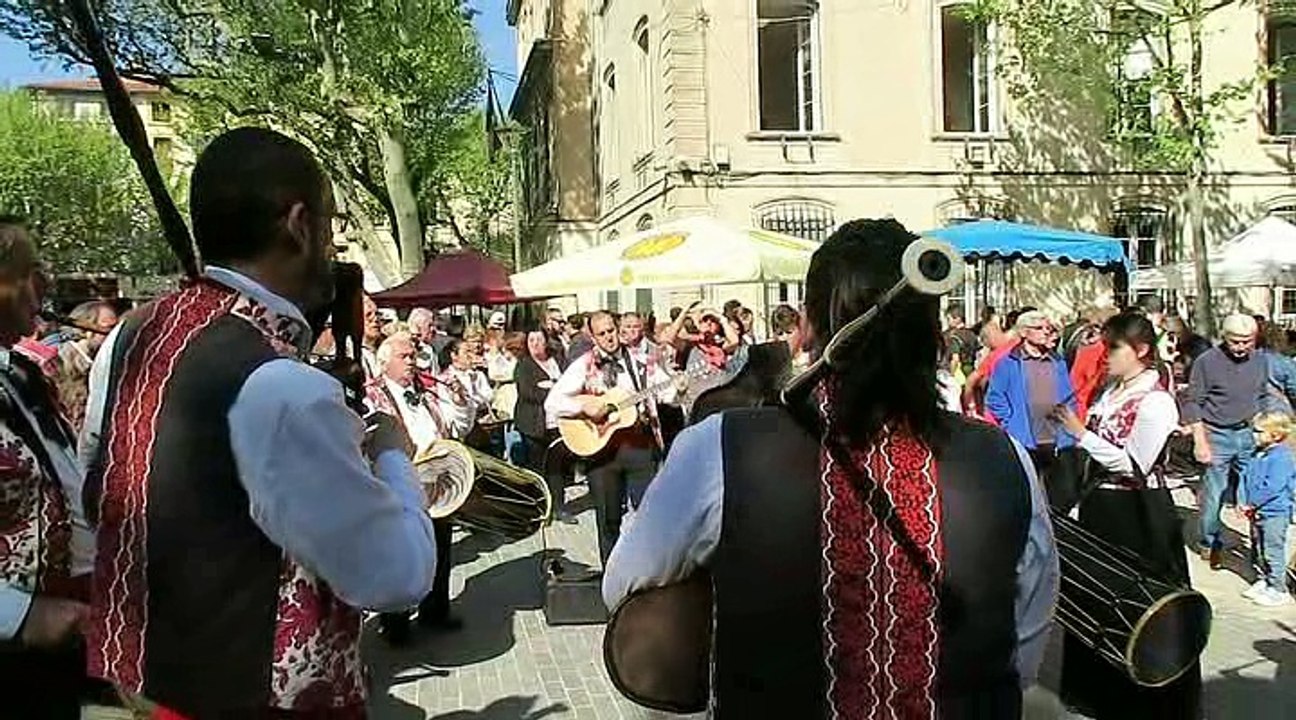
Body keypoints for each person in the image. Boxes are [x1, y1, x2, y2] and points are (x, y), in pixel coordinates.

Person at [604, 219, 1057, 717]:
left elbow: (622, 586)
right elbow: (1023, 649)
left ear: (809, 326)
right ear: (933, 331)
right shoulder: (1005, 458)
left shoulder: (718, 448)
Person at [79, 128, 438, 716]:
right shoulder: (282, 388)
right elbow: (396, 576)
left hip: (139, 689)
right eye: (329, 224)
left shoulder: (130, 334)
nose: (332, 246)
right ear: (299, 225)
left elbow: (95, 490)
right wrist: (392, 453)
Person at [1049, 312, 1200, 719]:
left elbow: (1135, 464)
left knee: (1141, 604)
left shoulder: (1156, 400)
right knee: (1096, 599)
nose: (1105, 354)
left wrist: (1082, 434)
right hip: (1102, 507)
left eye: (1113, 347)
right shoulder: (1110, 391)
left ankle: (1149, 702)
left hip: (1138, 515)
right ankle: (1098, 694)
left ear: (1141, 350)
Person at [0, 219, 115, 718]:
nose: (44, 284)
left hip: (63, 650)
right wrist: (18, 614)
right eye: (27, 271)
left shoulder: (23, 373)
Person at [545, 311, 680, 563]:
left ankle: (648, 572)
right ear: (593, 336)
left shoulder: (642, 361)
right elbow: (552, 403)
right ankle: (612, 578)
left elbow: (667, 393)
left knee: (649, 515)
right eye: (602, 333)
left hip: (640, 447)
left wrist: (678, 388)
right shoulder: (584, 365)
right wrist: (584, 408)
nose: (609, 337)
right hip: (602, 452)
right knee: (608, 520)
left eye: (611, 331)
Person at [365, 333, 459, 642]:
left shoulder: (427, 393)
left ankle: (436, 612)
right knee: (400, 555)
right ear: (384, 363)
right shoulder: (371, 397)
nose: (411, 362)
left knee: (440, 549)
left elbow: (455, 427)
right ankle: (396, 623)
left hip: (436, 484)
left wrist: (459, 402)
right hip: (398, 486)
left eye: (413, 356)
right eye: (404, 357)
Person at [1182, 313, 1268, 570]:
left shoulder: (1260, 360)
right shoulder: (1207, 362)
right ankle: (1210, 541)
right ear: (1224, 337)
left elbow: (1263, 395)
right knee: (1215, 493)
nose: (1241, 347)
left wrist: (1264, 427)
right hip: (1216, 433)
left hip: (1248, 432)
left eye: (1247, 342)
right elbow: (1193, 401)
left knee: (1255, 492)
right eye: (1235, 342)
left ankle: (1260, 550)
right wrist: (1200, 441)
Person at [986, 310, 1078, 486]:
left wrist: (1069, 427)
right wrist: (1010, 423)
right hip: (1025, 440)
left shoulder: (1057, 361)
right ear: (1023, 332)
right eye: (1039, 328)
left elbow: (1069, 397)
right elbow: (995, 398)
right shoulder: (1008, 363)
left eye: (1048, 328)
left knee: (1057, 498)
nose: (1045, 332)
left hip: (1056, 440)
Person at [515, 329, 574, 523]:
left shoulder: (558, 360)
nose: (535, 343)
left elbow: (571, 383)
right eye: (531, 340)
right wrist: (555, 391)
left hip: (558, 423)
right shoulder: (523, 365)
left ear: (547, 342)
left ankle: (559, 507)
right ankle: (541, 509)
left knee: (557, 467)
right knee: (537, 467)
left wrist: (551, 386)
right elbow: (528, 393)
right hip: (534, 424)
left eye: (539, 339)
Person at [1240, 411, 1295, 607]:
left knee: (1273, 550)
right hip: (1257, 511)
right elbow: (1244, 477)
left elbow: (1274, 486)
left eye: (1258, 431)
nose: (1253, 434)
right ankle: (1264, 579)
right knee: (1259, 548)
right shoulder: (1256, 455)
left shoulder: (1282, 458)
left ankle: (1278, 589)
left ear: (1276, 435)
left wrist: (1252, 502)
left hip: (1275, 512)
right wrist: (1242, 499)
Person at [53, 300, 119, 432]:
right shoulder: (58, 362)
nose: (115, 335)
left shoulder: (102, 361)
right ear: (84, 329)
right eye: (109, 328)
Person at [434, 337, 495, 444]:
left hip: (480, 429)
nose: (471, 356)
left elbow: (489, 396)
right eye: (467, 352)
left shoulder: (477, 375)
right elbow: (448, 409)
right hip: (457, 433)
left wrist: (474, 396)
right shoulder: (445, 380)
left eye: (472, 352)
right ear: (454, 356)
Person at [944, 306, 979, 383]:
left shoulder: (954, 336)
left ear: (957, 319)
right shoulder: (972, 334)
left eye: (949, 319)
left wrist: (951, 376)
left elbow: (955, 359)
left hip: (959, 374)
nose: (948, 322)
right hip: (971, 371)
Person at [407, 307, 442, 376]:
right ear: (417, 327)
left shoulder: (429, 347)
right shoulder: (409, 347)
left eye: (433, 325)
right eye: (429, 325)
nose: (433, 329)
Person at [360, 294, 383, 378]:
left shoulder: (387, 347)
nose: (375, 319)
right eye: (368, 315)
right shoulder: (347, 353)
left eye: (377, 314)